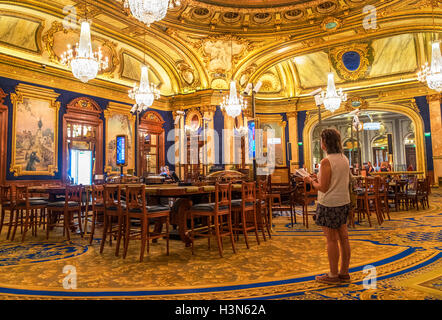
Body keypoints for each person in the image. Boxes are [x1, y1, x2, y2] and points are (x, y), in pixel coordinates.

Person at [304, 129, 351, 284]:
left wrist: (310, 181)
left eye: (321, 140)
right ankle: (344, 272)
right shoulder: (344, 158)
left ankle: (332, 275)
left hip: (329, 203)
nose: (320, 143)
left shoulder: (326, 161)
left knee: (331, 239)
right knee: (344, 238)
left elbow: (323, 187)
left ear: (325, 143)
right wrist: (315, 178)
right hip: (344, 201)